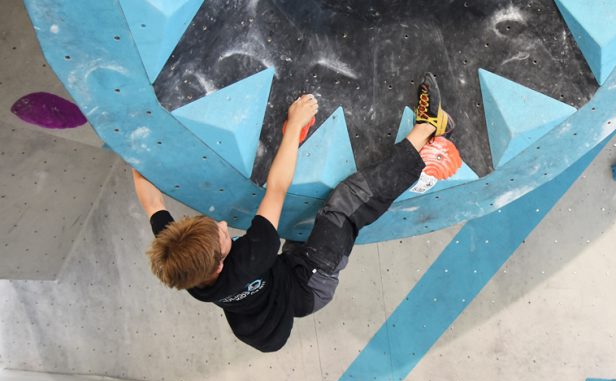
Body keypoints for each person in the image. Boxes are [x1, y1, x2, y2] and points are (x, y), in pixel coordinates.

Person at [132, 73, 453, 352]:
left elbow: (153, 204)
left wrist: (134, 147)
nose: (223, 223)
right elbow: (277, 189)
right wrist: (294, 128)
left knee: (302, 227)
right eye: (223, 234)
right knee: (346, 204)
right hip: (310, 285)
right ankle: (429, 129)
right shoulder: (252, 256)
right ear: (219, 265)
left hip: (278, 285)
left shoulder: (180, 262)